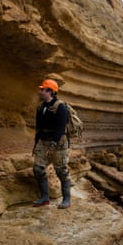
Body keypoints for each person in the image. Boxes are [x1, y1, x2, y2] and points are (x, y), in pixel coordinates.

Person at [32, 78, 71, 209]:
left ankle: (66, 199)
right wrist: (36, 143)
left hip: (58, 142)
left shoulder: (60, 106)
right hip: (43, 142)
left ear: (50, 91)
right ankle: (44, 198)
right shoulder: (40, 107)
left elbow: (61, 127)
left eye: (42, 89)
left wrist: (54, 144)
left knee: (61, 170)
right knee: (38, 168)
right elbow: (38, 128)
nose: (40, 91)